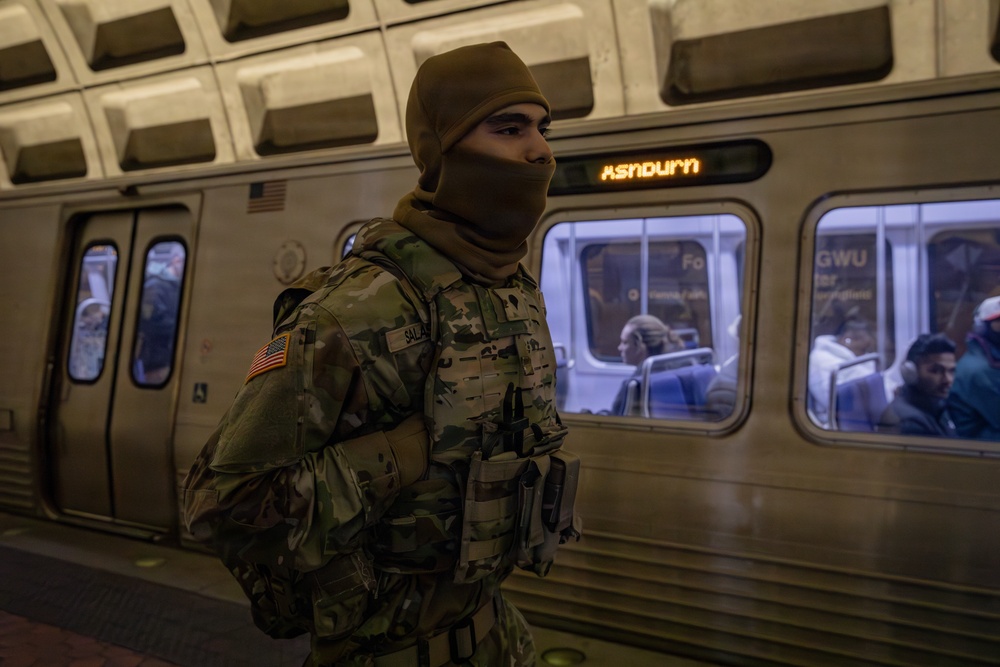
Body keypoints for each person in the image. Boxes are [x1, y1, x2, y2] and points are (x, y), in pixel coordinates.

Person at [181, 42, 580, 666]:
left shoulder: (509, 291)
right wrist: (405, 453)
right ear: (441, 151)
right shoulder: (356, 310)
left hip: (494, 637)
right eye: (509, 129)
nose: (540, 151)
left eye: (541, 129)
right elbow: (222, 504)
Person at [877, 333, 957, 437]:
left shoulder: (936, 406)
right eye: (936, 370)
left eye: (951, 371)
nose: (948, 379)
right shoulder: (909, 423)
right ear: (911, 373)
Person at [948, 295, 1000, 440]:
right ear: (982, 327)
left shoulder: (991, 359)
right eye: (999, 321)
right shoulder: (979, 370)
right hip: (978, 443)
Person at [807, 315, 875, 425]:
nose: (866, 351)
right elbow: (834, 400)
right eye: (864, 348)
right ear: (848, 340)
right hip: (840, 423)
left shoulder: (861, 358)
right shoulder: (821, 360)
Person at [609, 314, 682, 415]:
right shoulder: (675, 371)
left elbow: (615, 418)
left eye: (625, 342)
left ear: (640, 346)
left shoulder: (635, 384)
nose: (619, 348)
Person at [135, 246, 184, 384]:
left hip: (169, 355)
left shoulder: (176, 286)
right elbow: (150, 322)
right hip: (156, 357)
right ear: (176, 260)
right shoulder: (155, 285)